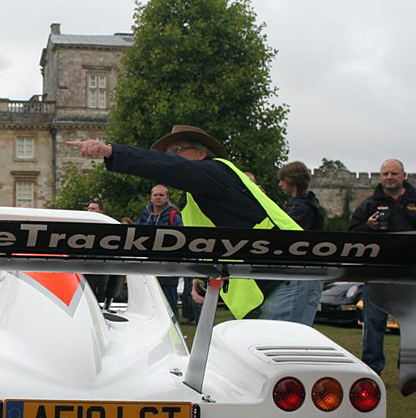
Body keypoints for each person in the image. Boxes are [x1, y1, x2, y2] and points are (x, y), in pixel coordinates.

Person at [68, 125, 303, 320]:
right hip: (271, 278)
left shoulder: (213, 171)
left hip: (286, 273)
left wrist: (111, 152)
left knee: (284, 368)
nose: (170, 157)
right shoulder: (197, 195)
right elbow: (209, 241)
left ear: (201, 154)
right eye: (168, 152)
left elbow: (169, 167)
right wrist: (200, 277)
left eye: (177, 149)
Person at [349, 159, 416, 374]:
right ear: (380, 177)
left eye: (394, 174)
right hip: (378, 273)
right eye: (385, 174)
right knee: (374, 324)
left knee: (414, 325)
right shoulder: (369, 204)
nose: (389, 177)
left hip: (412, 275)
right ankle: (371, 370)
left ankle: (414, 370)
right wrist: (367, 227)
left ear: (404, 176)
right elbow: (351, 234)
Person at [277, 161, 327, 326]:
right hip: (306, 274)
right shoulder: (304, 205)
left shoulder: (303, 208)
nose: (280, 184)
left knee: (295, 326)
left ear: (292, 181)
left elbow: (287, 235)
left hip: (306, 274)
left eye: (283, 180)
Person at [137, 184, 183, 318]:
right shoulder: (144, 215)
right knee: (149, 304)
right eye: (155, 195)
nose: (158, 197)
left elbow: (182, 239)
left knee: (170, 304)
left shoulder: (174, 216)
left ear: (167, 197)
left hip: (168, 267)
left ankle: (176, 333)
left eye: (161, 195)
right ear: (151, 198)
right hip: (148, 266)